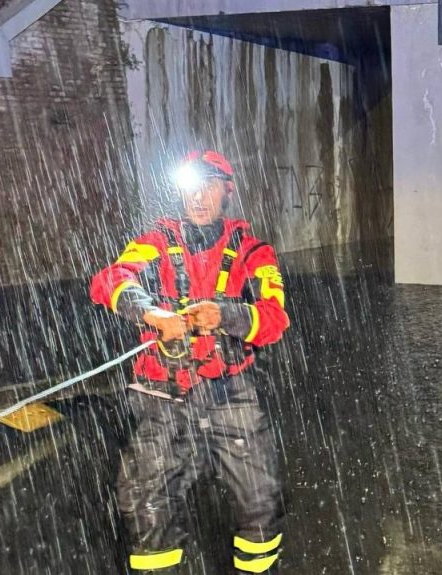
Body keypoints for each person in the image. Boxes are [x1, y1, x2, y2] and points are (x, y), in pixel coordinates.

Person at [90, 150, 290, 573]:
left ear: (227, 191)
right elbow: (110, 279)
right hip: (164, 392)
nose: (198, 197)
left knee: (259, 498)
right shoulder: (156, 241)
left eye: (209, 186)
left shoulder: (254, 252)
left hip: (229, 392)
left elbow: (274, 319)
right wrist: (151, 313)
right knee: (145, 499)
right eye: (191, 188)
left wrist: (226, 315)